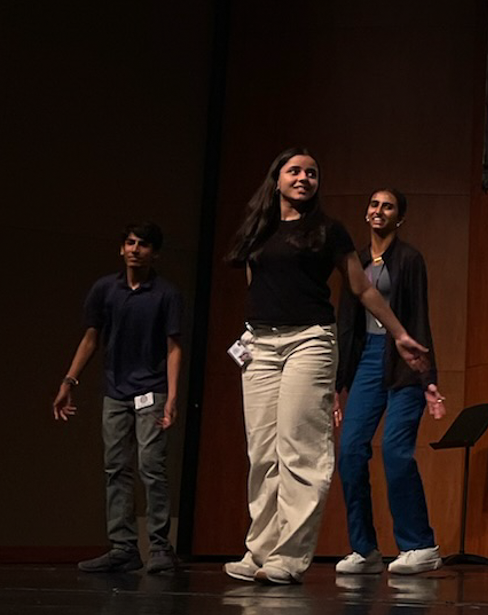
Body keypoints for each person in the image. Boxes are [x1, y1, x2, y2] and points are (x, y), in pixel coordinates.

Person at [223, 147, 429, 585]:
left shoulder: (327, 231)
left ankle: (289, 557)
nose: (303, 178)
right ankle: (259, 549)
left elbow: (363, 289)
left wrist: (400, 333)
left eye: (311, 173)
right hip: (260, 343)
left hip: (309, 341)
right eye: (294, 171)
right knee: (262, 452)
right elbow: (254, 283)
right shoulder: (258, 228)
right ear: (276, 177)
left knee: (300, 448)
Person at [53, 222, 184, 574]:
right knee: (115, 467)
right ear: (121, 248)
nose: (135, 249)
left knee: (151, 466)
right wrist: (69, 380)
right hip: (115, 391)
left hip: (151, 390)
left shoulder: (165, 293)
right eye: (130, 242)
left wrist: (172, 396)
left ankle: (159, 547)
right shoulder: (105, 290)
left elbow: (174, 347)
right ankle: (123, 547)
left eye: (143, 245)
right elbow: (91, 338)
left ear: (154, 252)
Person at [333, 188, 446, 576]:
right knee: (349, 452)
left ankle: (420, 544)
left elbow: (419, 319)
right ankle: (364, 549)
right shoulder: (356, 260)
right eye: (374, 205)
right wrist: (336, 384)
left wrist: (427, 376)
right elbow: (346, 323)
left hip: (403, 362)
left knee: (396, 452)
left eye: (388, 206)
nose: (379, 211)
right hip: (365, 360)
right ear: (366, 214)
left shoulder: (410, 259)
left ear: (400, 217)